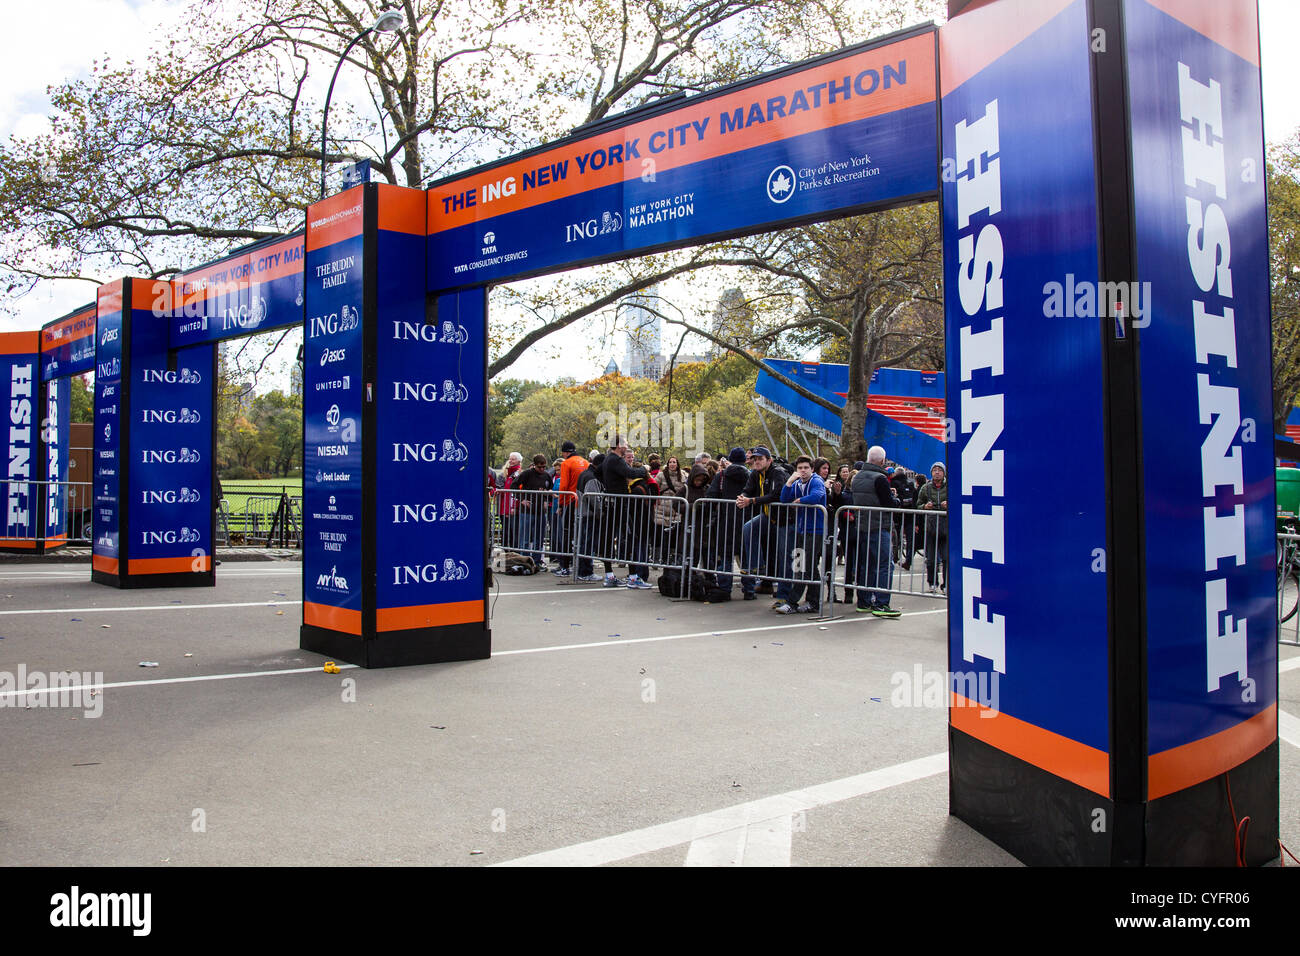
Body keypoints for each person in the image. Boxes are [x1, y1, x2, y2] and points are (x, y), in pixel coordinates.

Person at [849, 446, 901, 618]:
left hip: (862, 525)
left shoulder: (857, 478)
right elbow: (889, 503)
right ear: (882, 461)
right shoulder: (880, 478)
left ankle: (864, 602)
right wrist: (896, 499)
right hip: (879, 525)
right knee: (885, 565)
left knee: (866, 565)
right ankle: (881, 603)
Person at [774, 455, 827, 614]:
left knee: (805, 566)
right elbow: (784, 499)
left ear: (811, 469)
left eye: (806, 468)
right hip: (801, 529)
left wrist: (799, 501)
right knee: (804, 565)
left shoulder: (816, 481)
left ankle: (793, 601)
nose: (803, 471)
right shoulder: (797, 483)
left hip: (815, 530)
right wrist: (789, 482)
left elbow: (816, 496)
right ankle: (813, 601)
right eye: (800, 468)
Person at [737, 446, 790, 603]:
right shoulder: (755, 473)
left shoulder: (777, 472)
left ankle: (783, 596)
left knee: (783, 556)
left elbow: (776, 495)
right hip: (767, 515)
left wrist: (751, 501)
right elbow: (748, 489)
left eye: (760, 459)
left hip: (783, 519)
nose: (757, 461)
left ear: (769, 460)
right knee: (748, 528)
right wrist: (742, 497)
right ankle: (757, 566)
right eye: (755, 459)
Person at [602, 437, 651, 588]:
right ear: (618, 446)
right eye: (625, 445)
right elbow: (630, 472)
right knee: (629, 538)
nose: (627, 447)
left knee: (611, 538)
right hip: (618, 504)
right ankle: (633, 578)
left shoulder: (608, 460)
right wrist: (644, 469)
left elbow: (598, 472)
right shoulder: (615, 460)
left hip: (614, 503)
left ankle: (611, 575)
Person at [705, 447, 750, 600]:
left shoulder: (722, 475)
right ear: (744, 460)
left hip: (726, 519)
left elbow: (711, 495)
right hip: (746, 519)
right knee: (746, 556)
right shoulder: (750, 475)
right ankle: (749, 590)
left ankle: (725, 588)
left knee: (724, 555)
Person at [554, 440, 588, 576]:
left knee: (566, 535)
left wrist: (561, 504)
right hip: (583, 502)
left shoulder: (566, 463)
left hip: (570, 501)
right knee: (581, 535)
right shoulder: (585, 462)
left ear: (565, 452)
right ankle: (580, 566)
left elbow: (563, 486)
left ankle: (564, 567)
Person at [514, 454, 553, 567]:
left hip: (540, 512)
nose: (542, 469)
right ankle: (525, 561)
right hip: (526, 511)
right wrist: (521, 499)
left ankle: (537, 561)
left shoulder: (546, 476)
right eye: (539, 467)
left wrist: (546, 499)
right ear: (534, 465)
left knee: (539, 539)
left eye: (544, 467)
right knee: (525, 539)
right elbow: (514, 485)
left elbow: (549, 489)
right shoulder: (527, 474)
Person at [916, 461, 949, 593]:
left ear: (944, 472)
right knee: (930, 558)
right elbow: (918, 504)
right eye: (934, 470)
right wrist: (924, 507)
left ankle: (946, 584)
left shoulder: (950, 486)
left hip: (946, 526)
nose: (937, 472)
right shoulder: (926, 488)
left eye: (939, 470)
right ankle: (932, 583)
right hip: (931, 526)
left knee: (946, 557)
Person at [890, 466, 917, 569]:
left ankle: (894, 556)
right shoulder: (910, 484)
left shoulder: (893, 483)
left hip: (897, 514)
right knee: (910, 539)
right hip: (909, 514)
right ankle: (908, 560)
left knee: (895, 536)